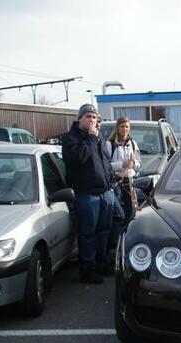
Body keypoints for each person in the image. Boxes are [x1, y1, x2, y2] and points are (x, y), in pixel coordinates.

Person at [62, 104, 115, 284]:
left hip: (104, 192)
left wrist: (110, 182)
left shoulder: (98, 138)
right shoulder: (71, 138)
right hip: (86, 195)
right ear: (79, 119)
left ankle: (102, 262)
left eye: (94, 117)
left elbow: (104, 162)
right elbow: (80, 157)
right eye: (88, 117)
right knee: (88, 233)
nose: (92, 120)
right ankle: (87, 269)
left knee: (104, 231)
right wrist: (92, 139)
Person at [105, 117, 141, 245]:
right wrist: (122, 164)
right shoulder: (110, 144)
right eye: (122, 126)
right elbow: (106, 165)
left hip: (130, 181)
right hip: (116, 183)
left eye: (127, 127)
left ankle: (129, 241)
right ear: (117, 127)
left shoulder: (132, 143)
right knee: (118, 215)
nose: (124, 129)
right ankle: (116, 243)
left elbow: (138, 164)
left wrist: (133, 163)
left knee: (131, 213)